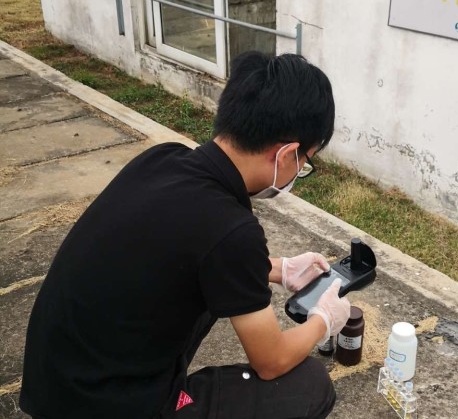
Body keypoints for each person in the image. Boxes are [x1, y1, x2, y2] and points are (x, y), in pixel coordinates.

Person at [19, 52, 351, 419]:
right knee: (310, 385)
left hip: (57, 386)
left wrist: (277, 269)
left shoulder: (163, 159)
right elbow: (271, 361)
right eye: (305, 162)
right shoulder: (232, 229)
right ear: (286, 154)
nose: (299, 171)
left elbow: (182, 253)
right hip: (109, 404)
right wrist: (323, 319)